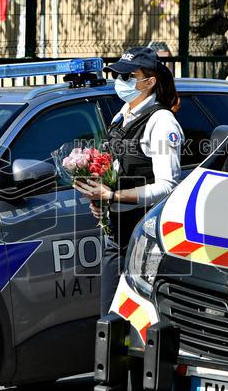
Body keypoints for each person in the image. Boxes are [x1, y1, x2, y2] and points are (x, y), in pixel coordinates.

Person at [76, 46, 184, 318]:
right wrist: (100, 199)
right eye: (117, 75)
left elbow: (167, 187)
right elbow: (114, 167)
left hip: (145, 242)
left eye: (128, 76)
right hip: (116, 235)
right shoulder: (121, 115)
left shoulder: (162, 123)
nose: (120, 82)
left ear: (149, 82)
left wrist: (114, 197)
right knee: (110, 322)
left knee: (138, 322)